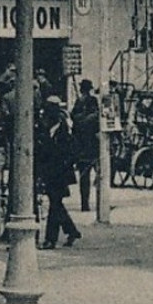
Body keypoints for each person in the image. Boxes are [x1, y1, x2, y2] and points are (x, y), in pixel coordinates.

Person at [37, 97, 81, 250]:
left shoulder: (64, 128)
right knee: (56, 204)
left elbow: (71, 151)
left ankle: (51, 239)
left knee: (55, 205)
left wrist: (65, 165)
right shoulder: (45, 127)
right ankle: (72, 230)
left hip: (60, 172)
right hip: (50, 172)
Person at [70, 79, 101, 212]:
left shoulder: (79, 102)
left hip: (81, 145)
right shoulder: (91, 101)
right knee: (98, 173)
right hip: (92, 144)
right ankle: (96, 204)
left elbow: (74, 117)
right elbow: (96, 116)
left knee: (85, 176)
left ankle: (85, 204)